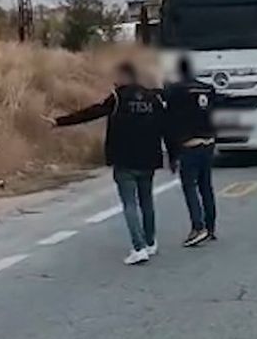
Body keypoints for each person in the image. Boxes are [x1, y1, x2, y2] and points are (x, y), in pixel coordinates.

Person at [48, 62, 171, 265]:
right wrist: (172, 155)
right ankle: (150, 242)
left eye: (117, 77)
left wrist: (60, 121)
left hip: (125, 159)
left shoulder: (118, 98)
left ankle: (138, 247)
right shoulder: (153, 98)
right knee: (146, 201)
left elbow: (92, 112)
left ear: (125, 77)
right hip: (148, 159)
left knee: (130, 204)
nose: (114, 81)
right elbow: (165, 127)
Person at [164, 56, 218, 247]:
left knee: (190, 187)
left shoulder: (175, 91)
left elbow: (169, 124)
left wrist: (172, 155)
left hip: (189, 144)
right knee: (206, 186)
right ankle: (211, 227)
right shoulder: (207, 89)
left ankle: (198, 227)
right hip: (208, 142)